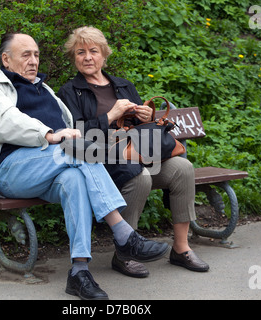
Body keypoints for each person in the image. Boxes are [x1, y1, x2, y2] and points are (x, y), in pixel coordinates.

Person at [0, 33, 169, 300]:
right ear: (6, 59)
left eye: (36, 54)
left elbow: (72, 131)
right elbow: (5, 121)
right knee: (78, 152)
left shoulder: (44, 89)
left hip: (52, 166)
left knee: (75, 179)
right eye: (25, 54)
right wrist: (50, 134)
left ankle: (79, 272)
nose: (33, 61)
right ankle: (124, 234)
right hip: (10, 171)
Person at [58, 26, 209, 278]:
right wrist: (110, 116)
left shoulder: (123, 86)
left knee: (183, 168)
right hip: (103, 163)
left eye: (93, 51)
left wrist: (148, 116)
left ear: (104, 56)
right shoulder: (69, 92)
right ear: (74, 58)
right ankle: (125, 253)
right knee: (140, 176)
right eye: (80, 52)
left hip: (138, 153)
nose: (87, 57)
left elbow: (144, 129)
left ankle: (181, 248)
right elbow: (75, 135)